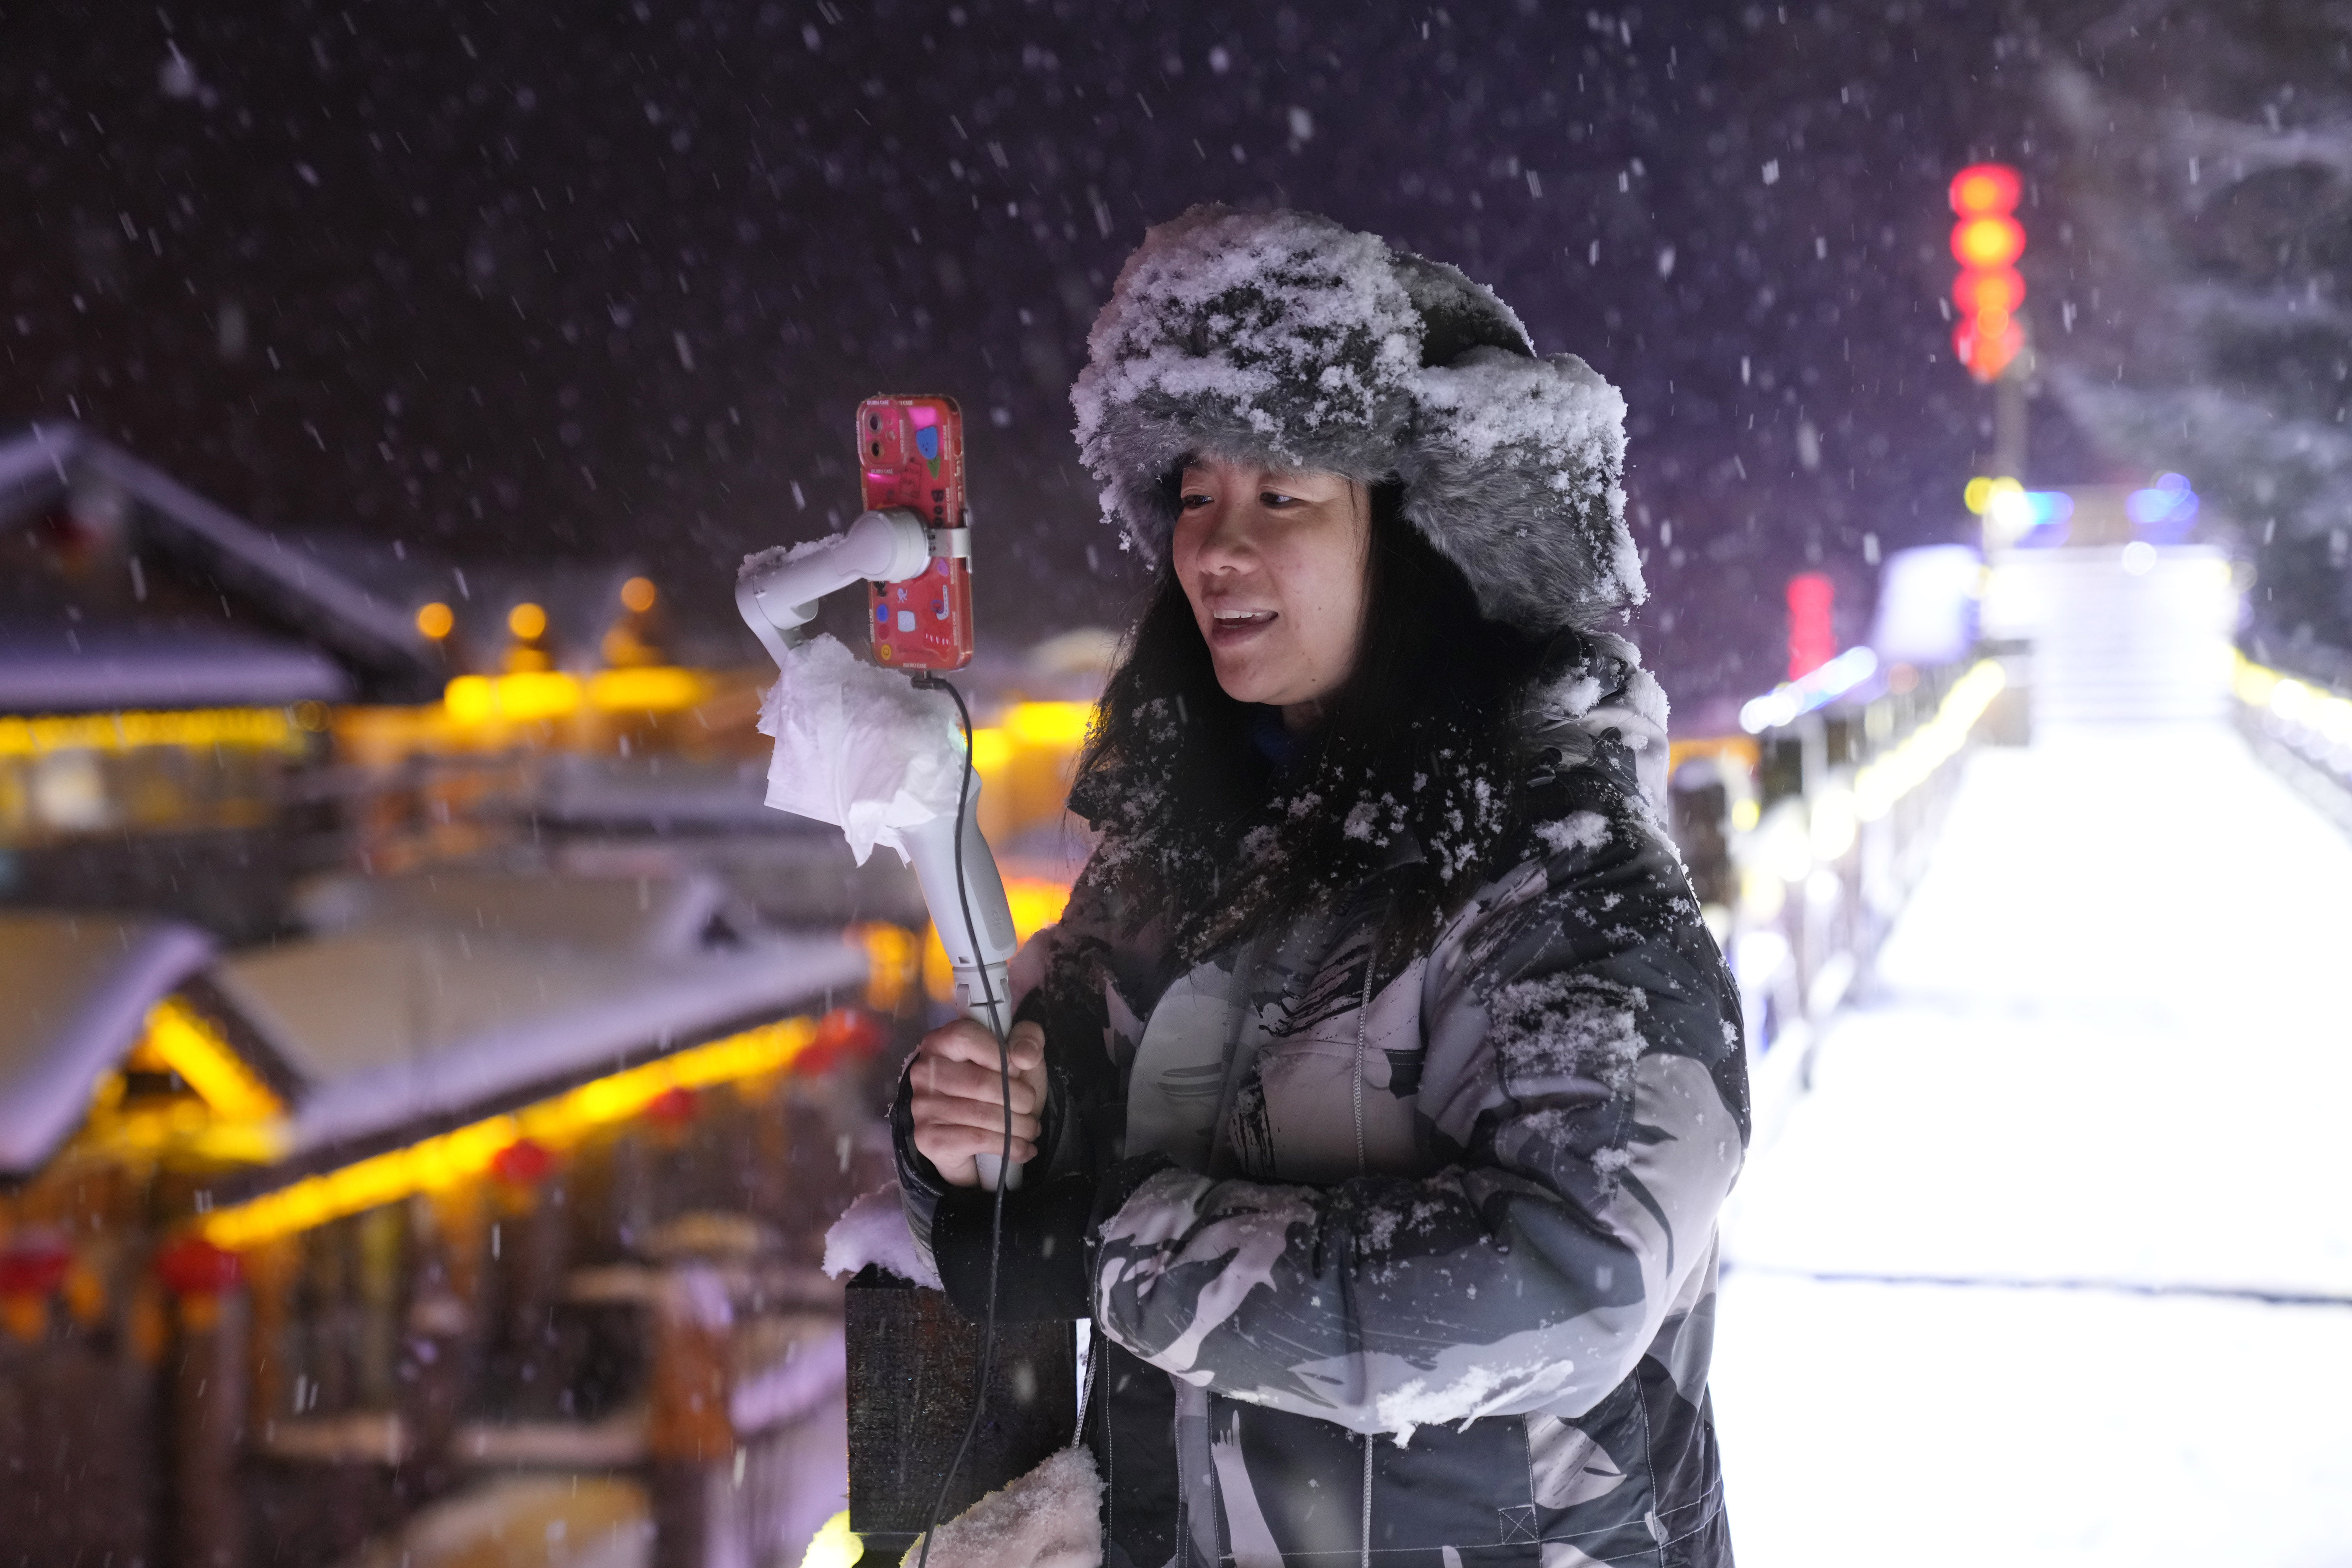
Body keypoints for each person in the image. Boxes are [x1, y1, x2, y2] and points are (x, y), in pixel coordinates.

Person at [894, 206, 1746, 1568]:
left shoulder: (1560, 879)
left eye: (1281, 495)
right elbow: (1061, 1092)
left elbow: (1578, 1272)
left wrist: (1124, 1259)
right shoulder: (1178, 857)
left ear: (1414, 546)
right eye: (1192, 495)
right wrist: (979, 1135)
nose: (1214, 548)